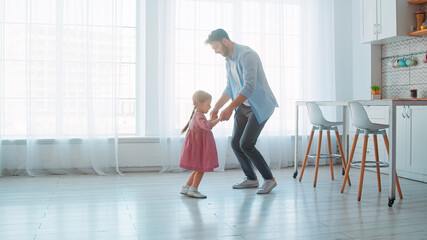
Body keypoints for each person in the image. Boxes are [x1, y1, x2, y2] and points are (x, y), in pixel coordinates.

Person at [205, 29, 279, 194]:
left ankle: (269, 179)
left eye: (216, 47)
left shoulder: (247, 55)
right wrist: (217, 106)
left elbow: (249, 86)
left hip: (258, 106)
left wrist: (230, 108)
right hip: (243, 106)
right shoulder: (228, 60)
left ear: (224, 41)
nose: (216, 52)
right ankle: (251, 179)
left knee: (246, 144)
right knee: (235, 143)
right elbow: (230, 87)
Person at [179, 90, 222, 198]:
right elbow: (207, 126)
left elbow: (205, 124)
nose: (210, 107)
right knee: (200, 169)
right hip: (199, 148)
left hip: (197, 148)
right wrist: (219, 119)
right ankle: (193, 189)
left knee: (197, 169)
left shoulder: (197, 115)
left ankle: (186, 187)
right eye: (208, 105)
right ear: (200, 103)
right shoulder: (199, 116)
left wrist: (211, 120)